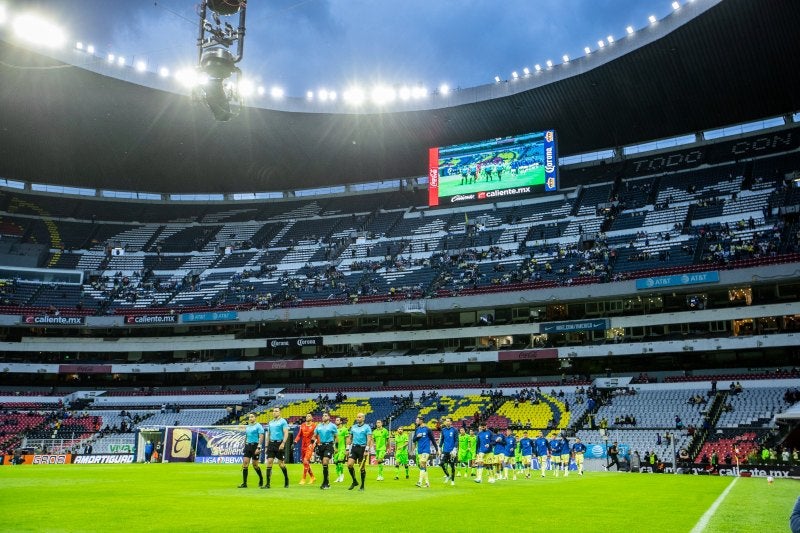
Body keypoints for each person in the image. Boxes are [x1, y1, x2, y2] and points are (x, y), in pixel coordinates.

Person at [262, 406, 289, 489]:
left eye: (276, 411)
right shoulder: (270, 422)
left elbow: (286, 433)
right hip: (271, 444)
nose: (274, 412)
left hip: (279, 443)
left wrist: (283, 443)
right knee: (269, 462)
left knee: (281, 464)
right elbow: (269, 434)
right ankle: (267, 484)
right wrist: (267, 444)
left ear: (280, 412)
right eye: (273, 411)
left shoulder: (283, 421)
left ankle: (286, 479)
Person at [346, 412, 373, 491]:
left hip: (362, 448)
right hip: (354, 448)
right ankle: (354, 481)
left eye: (360, 417)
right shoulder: (353, 427)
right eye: (357, 417)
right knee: (349, 464)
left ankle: (362, 485)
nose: (358, 419)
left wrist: (367, 449)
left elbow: (369, 439)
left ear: (363, 418)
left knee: (362, 468)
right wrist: (347, 448)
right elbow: (350, 438)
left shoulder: (367, 427)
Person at [238, 413, 265, 488]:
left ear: (255, 418)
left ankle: (261, 478)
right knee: (245, 464)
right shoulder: (248, 427)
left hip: (255, 446)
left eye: (252, 417)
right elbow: (246, 436)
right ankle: (244, 483)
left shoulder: (259, 426)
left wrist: (259, 447)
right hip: (248, 446)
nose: (250, 418)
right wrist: (245, 445)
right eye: (249, 417)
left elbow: (261, 437)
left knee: (255, 465)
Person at [312, 412, 337, 490]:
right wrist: (312, 443)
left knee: (325, 461)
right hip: (321, 446)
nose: (323, 417)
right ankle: (326, 481)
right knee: (324, 464)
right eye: (323, 415)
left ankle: (325, 482)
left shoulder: (332, 426)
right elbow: (314, 436)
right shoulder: (318, 426)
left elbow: (336, 436)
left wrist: (335, 446)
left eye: (325, 415)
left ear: (329, 417)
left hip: (329, 445)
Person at [412, 416, 439, 488]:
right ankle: (427, 483)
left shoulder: (428, 429)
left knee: (422, 463)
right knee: (423, 466)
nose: (416, 422)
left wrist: (437, 449)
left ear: (421, 421)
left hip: (426, 450)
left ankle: (419, 482)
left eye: (417, 420)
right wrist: (417, 436)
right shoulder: (417, 429)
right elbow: (413, 440)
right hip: (419, 450)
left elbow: (433, 440)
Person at [294, 413, 317, 485]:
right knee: (305, 463)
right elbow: (299, 435)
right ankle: (312, 477)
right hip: (303, 446)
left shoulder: (314, 426)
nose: (307, 417)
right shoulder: (302, 425)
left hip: (310, 445)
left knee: (305, 460)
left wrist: (318, 444)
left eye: (309, 416)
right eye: (307, 416)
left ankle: (303, 479)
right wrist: (295, 441)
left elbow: (317, 435)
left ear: (312, 418)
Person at [438, 417, 459, 485]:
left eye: (448, 421)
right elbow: (442, 440)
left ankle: (452, 481)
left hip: (452, 451)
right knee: (441, 463)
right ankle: (447, 475)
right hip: (445, 450)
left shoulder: (454, 430)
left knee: (452, 466)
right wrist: (439, 447)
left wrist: (455, 449)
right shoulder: (443, 430)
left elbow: (456, 440)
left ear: (451, 422)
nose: (447, 422)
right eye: (446, 421)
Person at [334, 416, 349, 482]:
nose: (336, 421)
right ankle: (338, 476)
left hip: (342, 448)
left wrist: (347, 449)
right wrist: (334, 448)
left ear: (340, 422)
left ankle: (342, 475)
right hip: (336, 449)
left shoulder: (345, 429)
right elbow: (334, 440)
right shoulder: (334, 430)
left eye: (337, 420)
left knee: (340, 461)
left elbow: (347, 439)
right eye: (336, 420)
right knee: (336, 462)